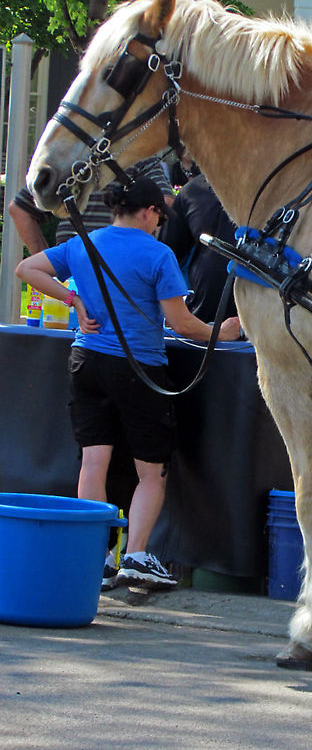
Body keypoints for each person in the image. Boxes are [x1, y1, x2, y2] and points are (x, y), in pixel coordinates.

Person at [15, 177, 241, 590]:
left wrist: (74, 300)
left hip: (86, 360)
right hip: (138, 367)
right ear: (150, 211)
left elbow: (26, 268)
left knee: (93, 461)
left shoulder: (86, 242)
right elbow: (181, 323)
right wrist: (222, 333)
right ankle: (136, 554)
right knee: (151, 471)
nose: (160, 224)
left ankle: (94, 556)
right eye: (161, 216)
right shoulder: (158, 254)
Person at [9, 156, 175, 255]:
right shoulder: (138, 156)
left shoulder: (71, 159)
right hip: (119, 259)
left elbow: (20, 209)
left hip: (71, 257)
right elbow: (165, 201)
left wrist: (47, 264)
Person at [160, 174, 237, 323]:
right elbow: (167, 255)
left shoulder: (276, 186)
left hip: (265, 317)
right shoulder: (192, 191)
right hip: (204, 315)